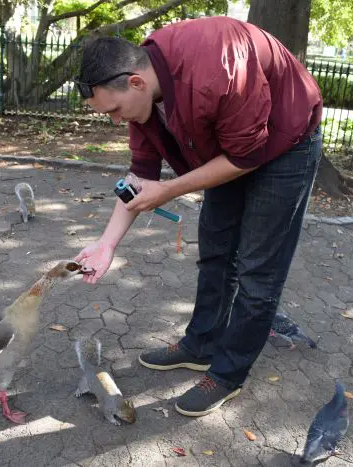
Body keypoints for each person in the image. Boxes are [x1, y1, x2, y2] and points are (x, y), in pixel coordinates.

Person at [73, 16, 323, 417]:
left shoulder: (216, 68)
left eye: (115, 111)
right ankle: (202, 344)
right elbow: (140, 176)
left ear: (135, 82)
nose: (116, 121)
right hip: (230, 147)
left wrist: (170, 190)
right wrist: (106, 244)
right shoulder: (146, 93)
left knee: (257, 271)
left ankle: (228, 373)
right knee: (215, 250)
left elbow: (245, 157)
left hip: (284, 148)